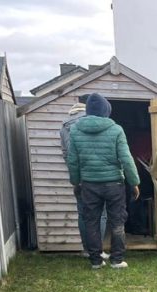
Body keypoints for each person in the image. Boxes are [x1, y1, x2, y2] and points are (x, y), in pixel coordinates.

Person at [67, 94, 141, 269]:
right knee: (117, 221)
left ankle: (96, 261)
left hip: (89, 185)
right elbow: (126, 159)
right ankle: (116, 260)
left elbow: (73, 160)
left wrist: (75, 182)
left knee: (91, 221)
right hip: (114, 184)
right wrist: (134, 182)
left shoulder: (75, 130)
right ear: (106, 111)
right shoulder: (116, 130)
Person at [60, 95, 107, 257]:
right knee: (100, 214)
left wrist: (75, 177)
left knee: (83, 213)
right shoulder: (93, 123)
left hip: (79, 177)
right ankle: (98, 251)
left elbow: (67, 154)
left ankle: (87, 250)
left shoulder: (65, 125)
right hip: (98, 176)